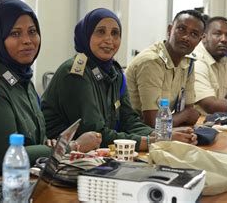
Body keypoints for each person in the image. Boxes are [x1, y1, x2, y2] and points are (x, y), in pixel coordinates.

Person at [0, 0, 101, 193]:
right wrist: (71, 146)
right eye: (15, 33)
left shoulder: (20, 80)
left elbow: (30, 140)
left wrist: (48, 144)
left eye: (32, 32)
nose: (27, 40)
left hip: (14, 183)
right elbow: (8, 156)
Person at [42, 8, 197, 151]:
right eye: (100, 32)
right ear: (87, 34)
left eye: (115, 33)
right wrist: (152, 142)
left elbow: (129, 120)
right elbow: (97, 134)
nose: (109, 40)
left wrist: (164, 136)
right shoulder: (76, 73)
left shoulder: (113, 71)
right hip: (61, 157)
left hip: (98, 153)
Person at [125, 10, 205, 128]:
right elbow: (153, 123)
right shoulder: (151, 62)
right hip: (134, 134)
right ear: (169, 30)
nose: (186, 37)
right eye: (181, 29)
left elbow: (190, 112)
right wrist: (184, 115)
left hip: (161, 132)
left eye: (193, 34)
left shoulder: (188, 62)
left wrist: (185, 115)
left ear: (199, 40)